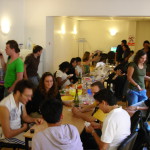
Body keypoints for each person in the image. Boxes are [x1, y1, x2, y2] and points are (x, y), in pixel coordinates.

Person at [0, 79, 43, 145]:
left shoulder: (21, 100)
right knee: (36, 143)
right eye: (27, 96)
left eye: (30, 96)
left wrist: (35, 119)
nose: (30, 99)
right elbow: (7, 134)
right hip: (8, 137)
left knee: (42, 133)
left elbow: (25, 117)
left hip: (19, 129)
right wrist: (23, 128)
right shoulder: (5, 106)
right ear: (18, 93)